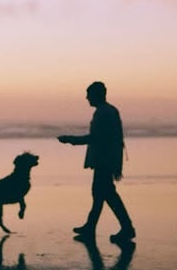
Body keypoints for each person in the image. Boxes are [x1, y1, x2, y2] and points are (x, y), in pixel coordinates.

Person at [58, 81, 136, 244]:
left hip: (104, 160)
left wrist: (70, 139)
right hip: (108, 159)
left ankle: (126, 228)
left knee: (106, 194)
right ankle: (91, 227)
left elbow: (95, 138)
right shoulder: (109, 111)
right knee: (100, 194)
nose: (87, 98)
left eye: (89, 94)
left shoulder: (103, 113)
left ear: (96, 95)